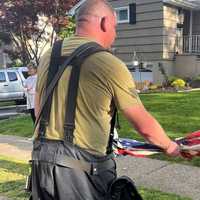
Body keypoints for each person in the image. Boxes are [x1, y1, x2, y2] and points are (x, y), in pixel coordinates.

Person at [32, 0, 181, 199]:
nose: (115, 34)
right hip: (81, 174)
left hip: (41, 165)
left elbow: (38, 108)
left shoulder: (48, 56)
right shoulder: (109, 63)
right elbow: (142, 123)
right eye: (114, 27)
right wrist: (170, 146)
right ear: (104, 23)